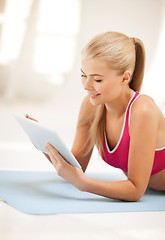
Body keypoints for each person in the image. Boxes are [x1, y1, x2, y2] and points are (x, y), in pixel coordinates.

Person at [26, 31, 165, 202]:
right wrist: (44, 144)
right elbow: (77, 166)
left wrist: (84, 184)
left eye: (97, 80)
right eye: (83, 75)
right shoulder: (92, 106)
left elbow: (135, 190)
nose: (86, 85)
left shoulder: (143, 110)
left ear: (125, 77)